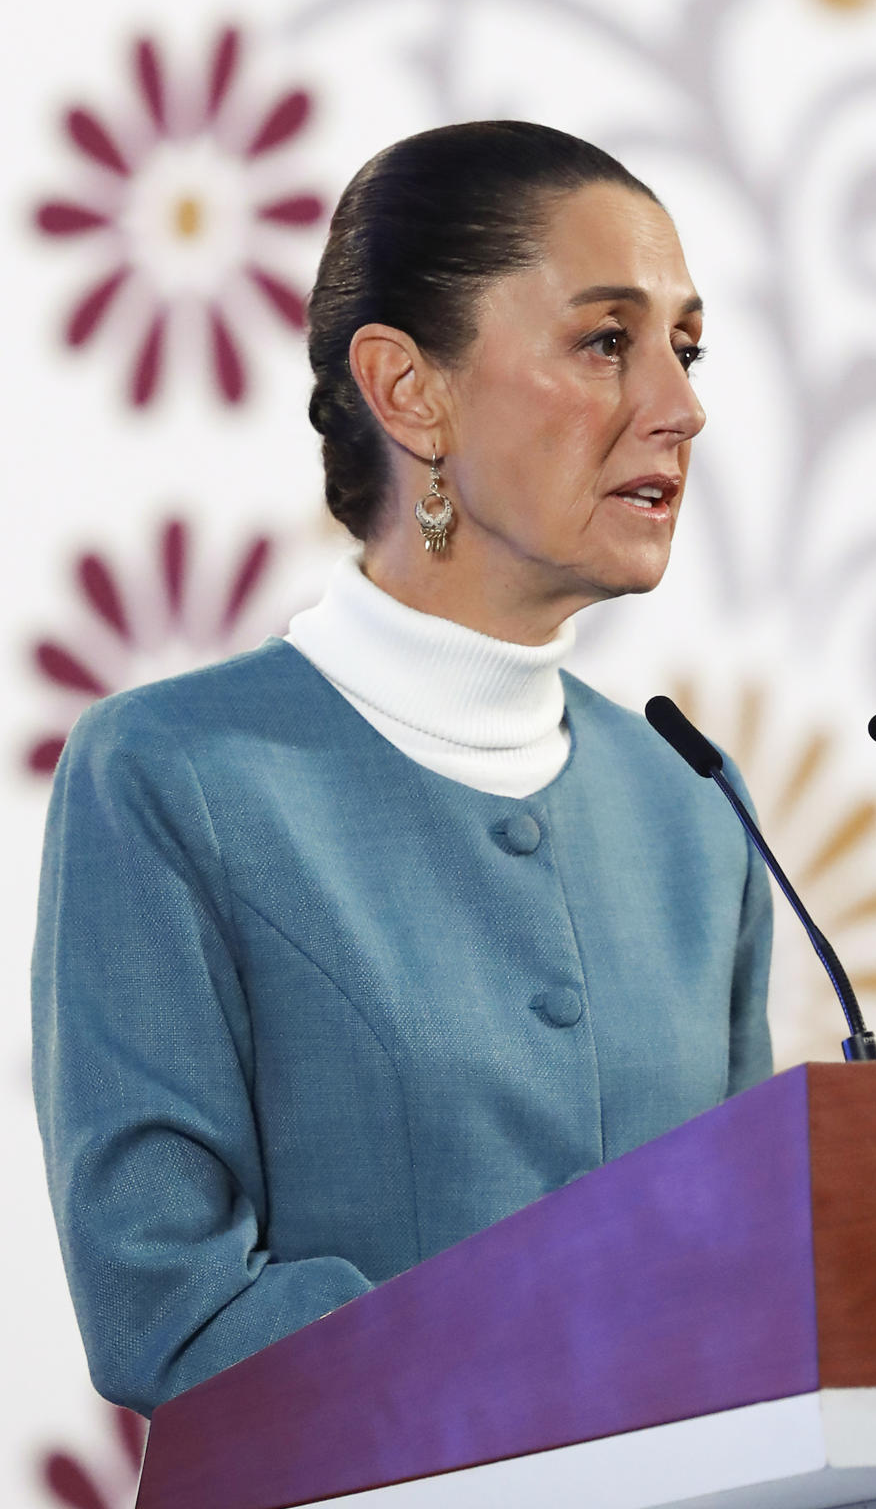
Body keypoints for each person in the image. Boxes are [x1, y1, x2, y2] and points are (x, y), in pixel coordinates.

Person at [31, 120, 773, 1418]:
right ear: (409, 390)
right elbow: (168, 1309)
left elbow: (759, 1280)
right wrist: (593, 1357)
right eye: (608, 342)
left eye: (686, 347)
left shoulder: (692, 811)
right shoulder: (170, 777)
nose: (680, 405)